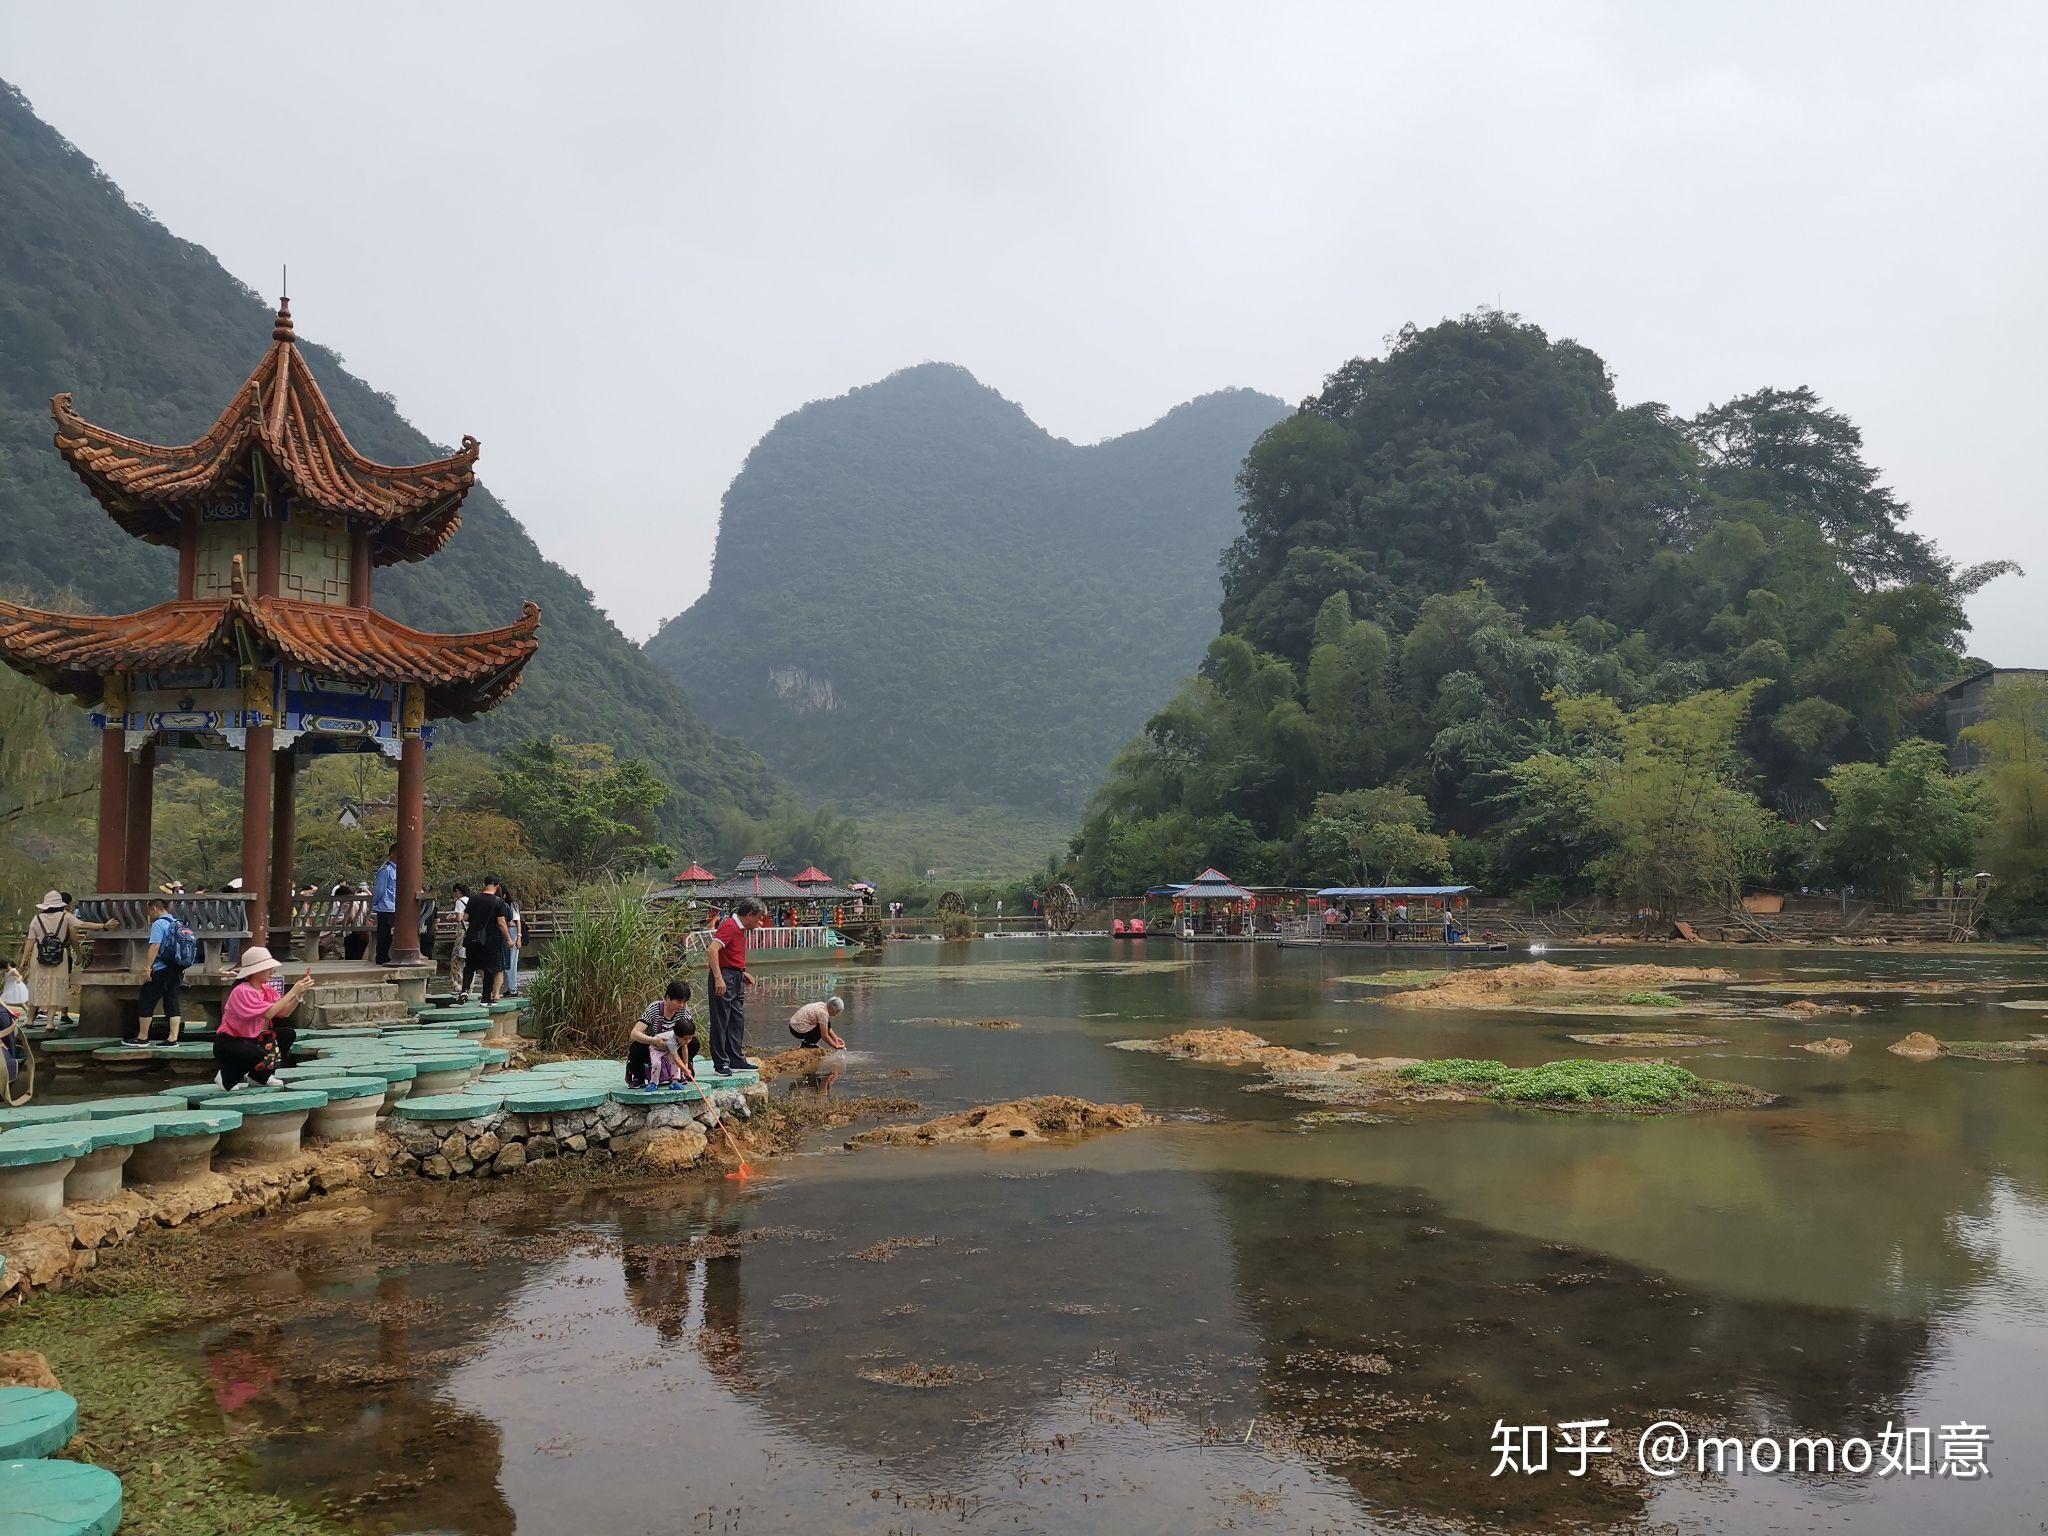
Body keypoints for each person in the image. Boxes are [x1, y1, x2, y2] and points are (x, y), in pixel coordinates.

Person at [214, 946, 311, 1090]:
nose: (272, 971)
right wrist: (292, 991)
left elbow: (283, 1012)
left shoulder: (265, 989)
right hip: (230, 1042)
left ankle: (259, 1077)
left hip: (252, 1039)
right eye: (267, 968)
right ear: (255, 971)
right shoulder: (242, 991)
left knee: (287, 1034)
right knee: (259, 1053)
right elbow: (269, 1013)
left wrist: (298, 995)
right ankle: (226, 1075)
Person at [707, 897, 767, 1074]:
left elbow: (730, 955)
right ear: (749, 915)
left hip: (735, 976)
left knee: (736, 1019)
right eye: (759, 918)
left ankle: (736, 1059)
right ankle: (721, 1063)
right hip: (724, 977)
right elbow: (712, 949)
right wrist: (718, 978)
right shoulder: (730, 926)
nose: (760, 922)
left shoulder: (740, 929)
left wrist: (742, 973)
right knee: (721, 1020)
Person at [19, 891, 85, 1028]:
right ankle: (50, 1022)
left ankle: (30, 1019)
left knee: (37, 984)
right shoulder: (66, 917)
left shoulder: (37, 919)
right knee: (56, 986)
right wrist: (103, 926)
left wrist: (23, 959)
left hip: (39, 955)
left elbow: (30, 940)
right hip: (59, 956)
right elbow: (79, 930)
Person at [127, 896, 188, 1045]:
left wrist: (148, 968)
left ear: (154, 909)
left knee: (147, 999)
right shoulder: (177, 922)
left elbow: (155, 946)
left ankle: (142, 1037)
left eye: (150, 911)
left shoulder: (159, 924)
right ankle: (173, 1038)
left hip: (161, 968)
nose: (150, 915)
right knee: (172, 1000)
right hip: (176, 967)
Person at [628, 980, 696, 1089]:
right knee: (637, 1046)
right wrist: (653, 1040)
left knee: (693, 1042)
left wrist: (686, 1063)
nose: (682, 1005)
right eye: (679, 1001)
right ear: (668, 997)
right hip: (654, 1046)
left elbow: (689, 1032)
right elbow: (634, 1033)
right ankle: (638, 1076)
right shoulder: (654, 1008)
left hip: (674, 1046)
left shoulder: (684, 1011)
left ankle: (681, 1074)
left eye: (685, 1002)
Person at [460, 878, 512, 1002]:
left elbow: (465, 917)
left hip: (472, 937)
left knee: (470, 966)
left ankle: (464, 990)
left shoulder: (473, 898)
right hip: (490, 939)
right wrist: (509, 939)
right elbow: (502, 923)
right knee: (489, 968)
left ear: (485, 884)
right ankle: (486, 997)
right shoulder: (498, 902)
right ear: (497, 886)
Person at [372, 844, 399, 965]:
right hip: (386, 907)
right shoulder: (385, 870)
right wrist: (375, 903)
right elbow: (379, 890)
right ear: (392, 854)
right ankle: (381, 958)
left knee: (391, 935)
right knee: (384, 935)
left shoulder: (398, 870)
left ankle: (388, 956)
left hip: (396, 907)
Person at [503, 890, 524, 996]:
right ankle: (507, 988)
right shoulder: (499, 903)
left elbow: (517, 921)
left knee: (512, 961)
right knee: (504, 961)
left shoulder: (512, 905)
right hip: (503, 931)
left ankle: (513, 988)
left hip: (512, 930)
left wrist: (519, 937)